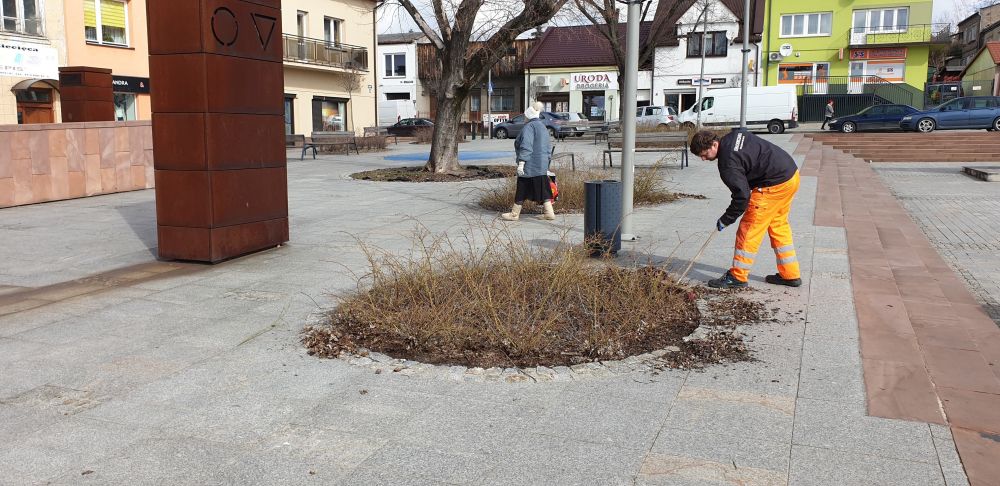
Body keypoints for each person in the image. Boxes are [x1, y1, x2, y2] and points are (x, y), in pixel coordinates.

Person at [689, 129, 802, 289]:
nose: (703, 158)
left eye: (704, 154)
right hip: (791, 175)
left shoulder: (727, 163)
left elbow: (742, 197)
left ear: (714, 144)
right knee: (778, 225)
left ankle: (737, 276)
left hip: (773, 185)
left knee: (748, 230)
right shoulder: (734, 135)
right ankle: (791, 274)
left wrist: (726, 219)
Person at [502, 102, 555, 221]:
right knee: (543, 187)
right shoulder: (542, 126)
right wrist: (546, 164)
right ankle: (549, 212)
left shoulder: (529, 127)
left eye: (525, 116)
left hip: (530, 164)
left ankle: (514, 214)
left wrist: (521, 163)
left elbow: (526, 146)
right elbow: (548, 147)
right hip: (541, 164)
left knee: (522, 187)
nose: (524, 118)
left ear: (528, 116)